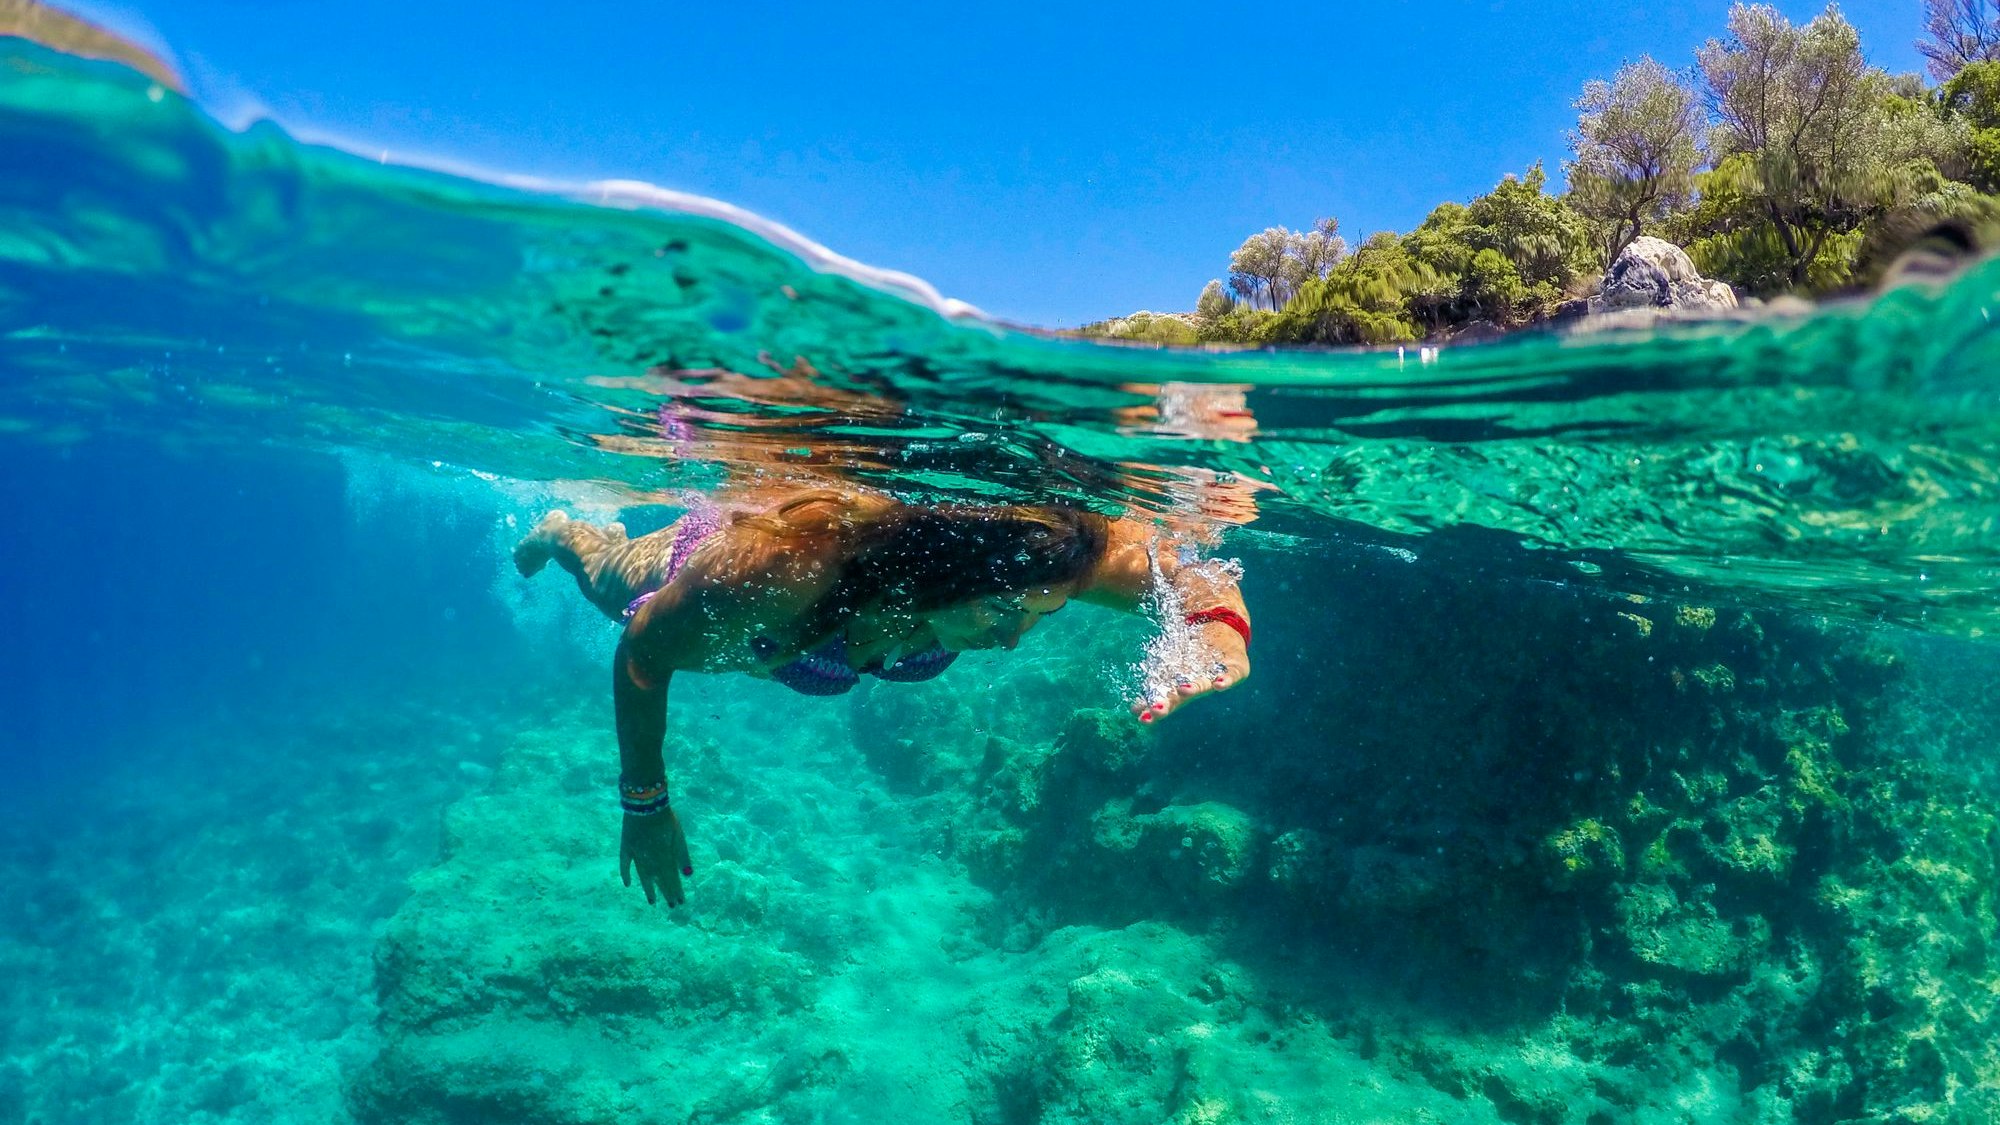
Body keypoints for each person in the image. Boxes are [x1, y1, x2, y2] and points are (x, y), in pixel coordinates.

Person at [514, 488, 1253, 908]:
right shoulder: (791, 565)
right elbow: (644, 654)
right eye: (999, 613)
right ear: (936, 576)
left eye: (1042, 615)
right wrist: (645, 800)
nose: (1011, 641)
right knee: (604, 581)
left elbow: (1183, 568)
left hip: (796, 635)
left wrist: (1216, 636)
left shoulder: (1042, 557)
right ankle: (567, 530)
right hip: (698, 571)